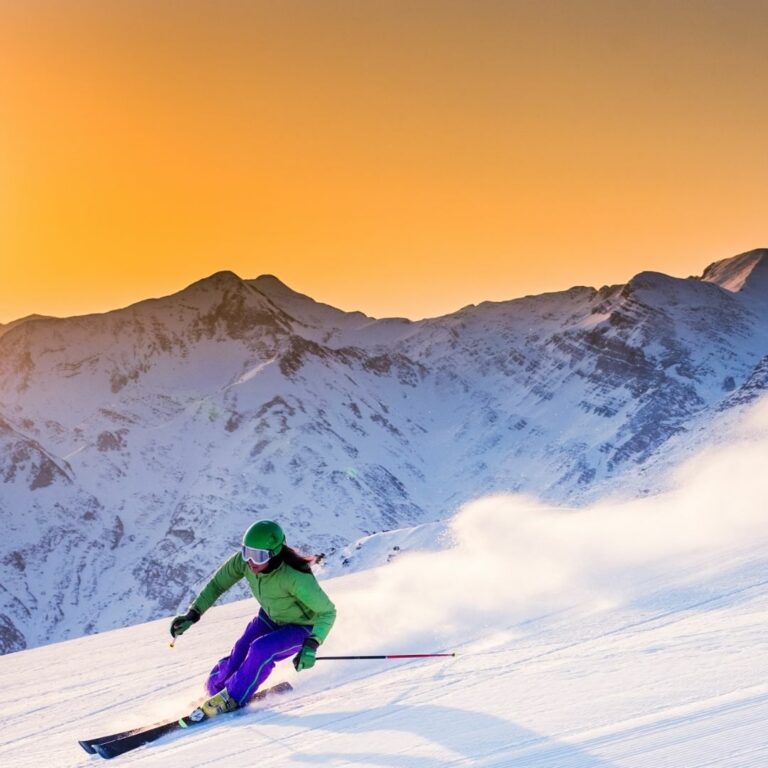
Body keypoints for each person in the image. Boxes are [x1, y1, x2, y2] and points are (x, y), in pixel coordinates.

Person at [170, 519, 336, 717]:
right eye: (246, 552)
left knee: (261, 649)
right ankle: (216, 691)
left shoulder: (295, 577)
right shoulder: (245, 563)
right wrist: (193, 613)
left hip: (302, 627)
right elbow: (217, 585)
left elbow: (327, 612)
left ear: (274, 554)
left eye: (258, 556)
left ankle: (233, 698)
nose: (250, 561)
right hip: (270, 617)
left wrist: (312, 644)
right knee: (240, 650)